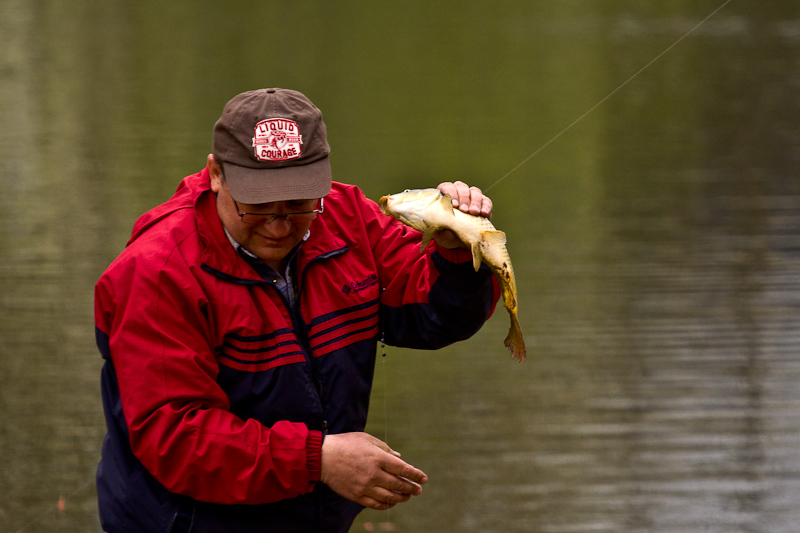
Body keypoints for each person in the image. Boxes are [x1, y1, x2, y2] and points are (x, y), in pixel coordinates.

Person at [94, 88, 500, 532]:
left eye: (298, 201)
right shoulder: (156, 272)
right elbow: (176, 437)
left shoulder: (348, 217)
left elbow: (432, 317)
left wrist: (458, 253)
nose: (280, 223)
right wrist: (318, 460)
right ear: (215, 175)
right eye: (258, 204)